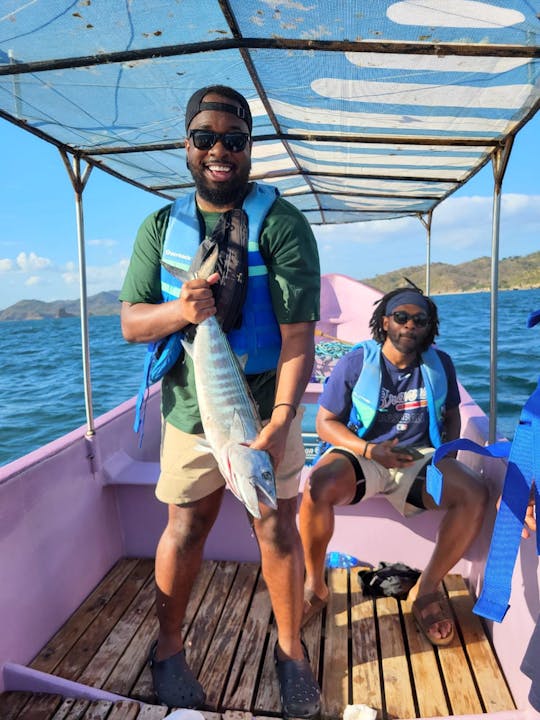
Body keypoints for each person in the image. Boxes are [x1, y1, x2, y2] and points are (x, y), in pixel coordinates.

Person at [120, 85, 321, 717]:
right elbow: (130, 323)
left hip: (265, 408)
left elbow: (298, 339)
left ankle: (291, 652)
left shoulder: (283, 224)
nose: (219, 151)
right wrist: (183, 310)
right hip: (189, 407)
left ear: (248, 149)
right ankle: (168, 647)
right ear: (187, 146)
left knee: (275, 526)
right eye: (205, 138)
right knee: (186, 525)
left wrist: (284, 420)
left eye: (234, 140)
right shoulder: (159, 227)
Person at [298, 285, 490, 646]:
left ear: (429, 327)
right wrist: (370, 451)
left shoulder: (440, 364)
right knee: (316, 486)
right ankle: (315, 585)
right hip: (363, 451)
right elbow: (325, 423)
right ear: (385, 322)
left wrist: (443, 457)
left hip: (417, 457)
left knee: (475, 493)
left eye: (420, 319)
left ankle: (427, 590)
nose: (410, 325)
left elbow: (451, 415)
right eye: (401, 317)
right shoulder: (357, 361)